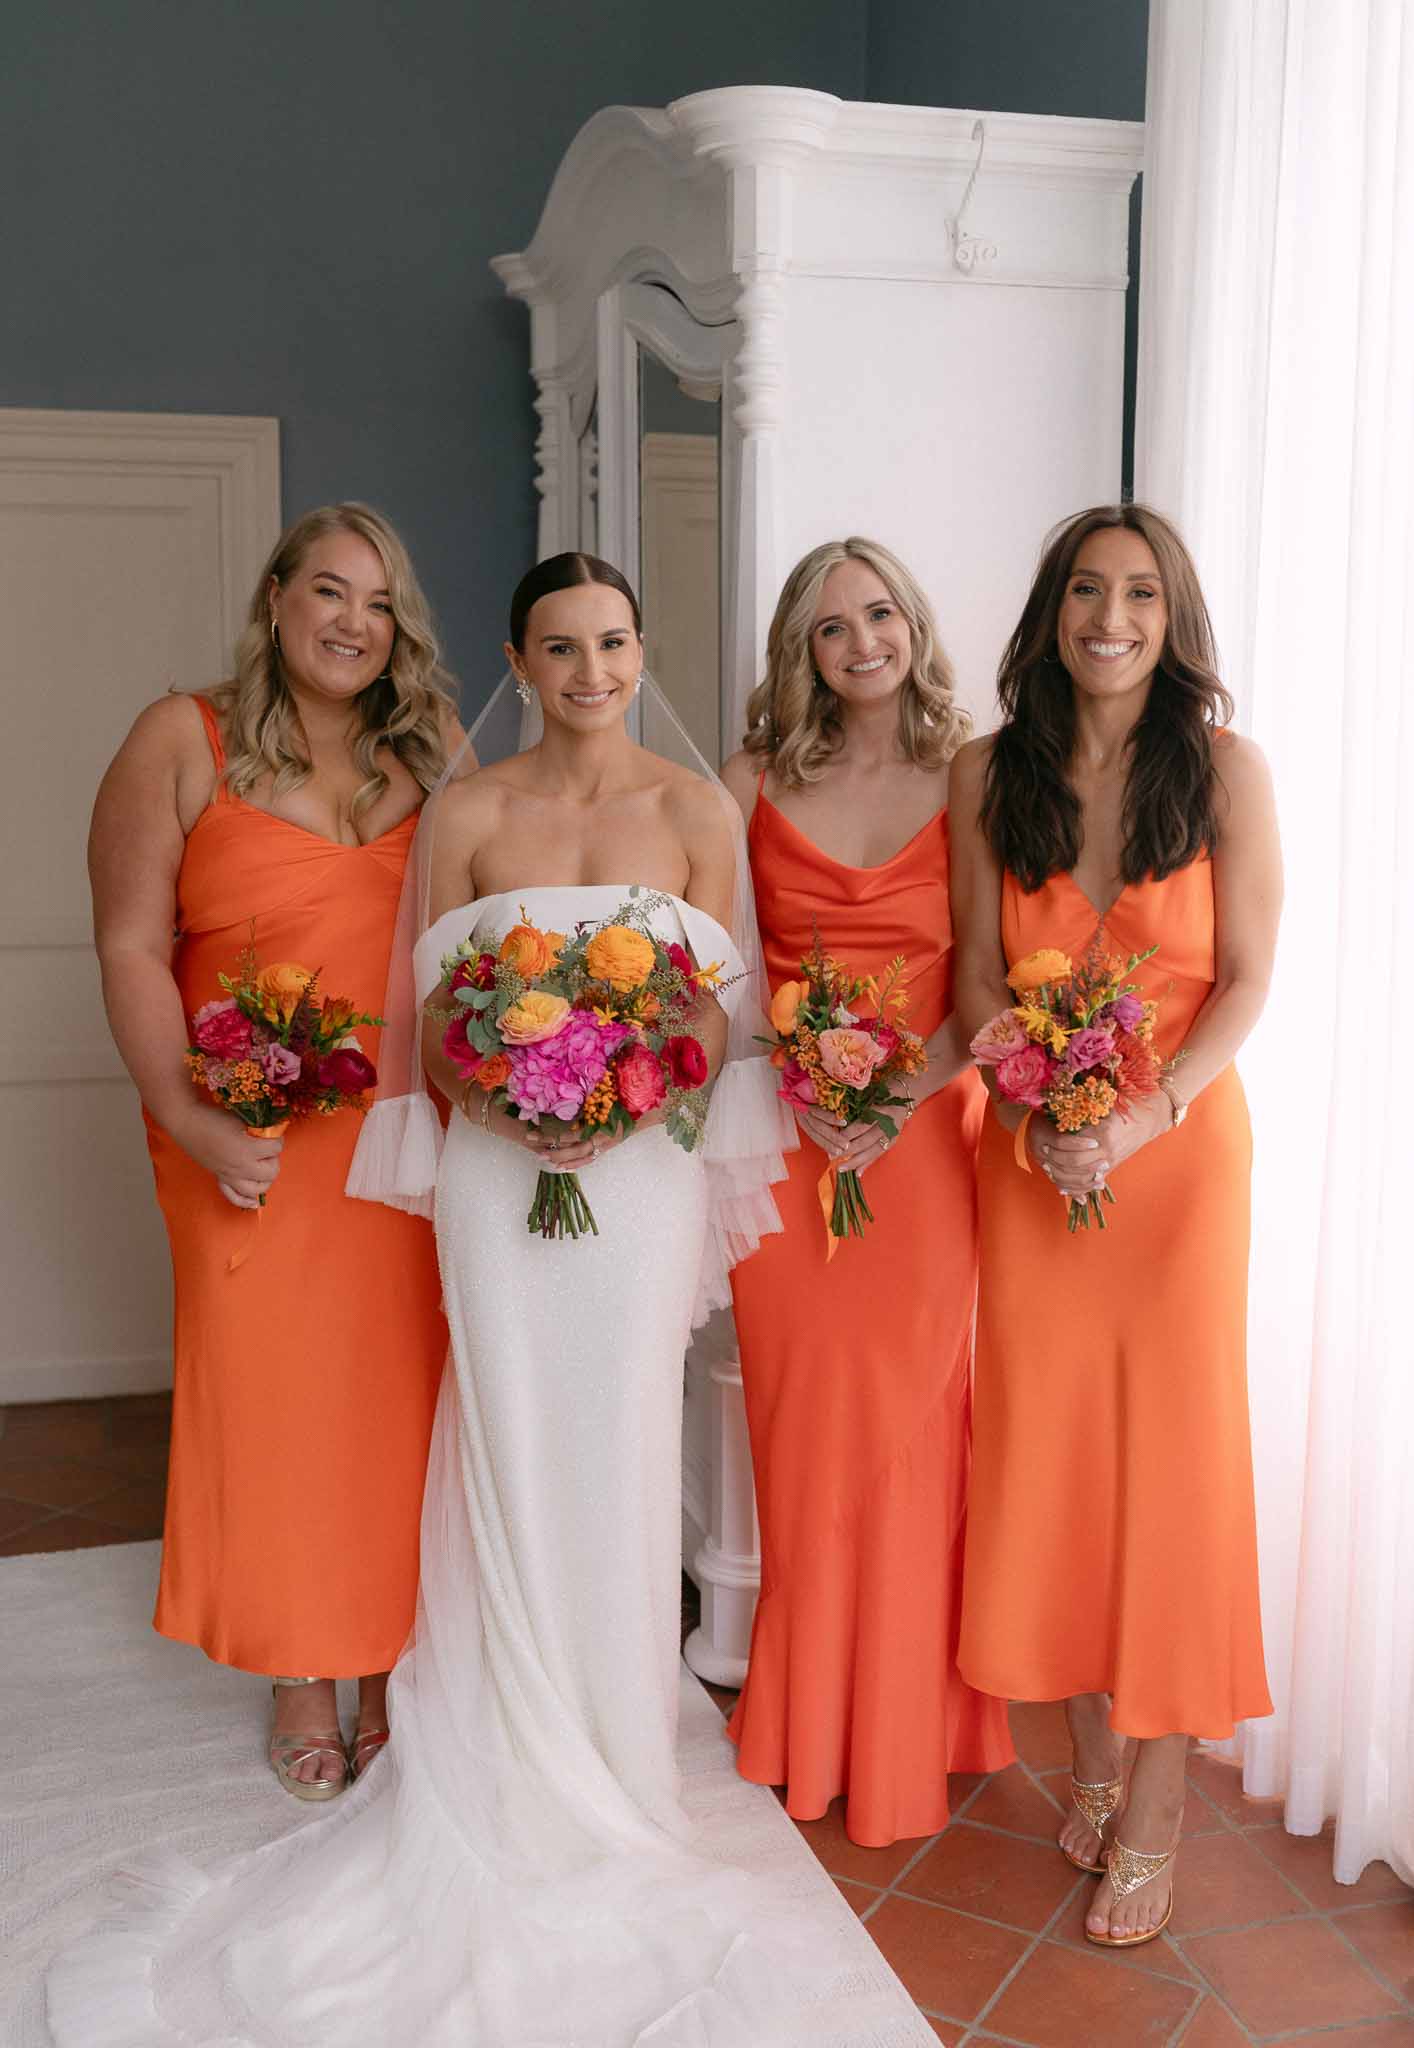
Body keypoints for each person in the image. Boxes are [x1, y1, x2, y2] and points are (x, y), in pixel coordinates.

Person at [51, 554, 911, 2045]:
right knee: (504, 1432)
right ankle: (490, 1731)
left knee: (621, 1439)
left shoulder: (697, 811)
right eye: (563, 646)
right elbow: (422, 1018)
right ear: (520, 656)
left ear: (642, 653)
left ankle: (618, 1747)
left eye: (616, 642)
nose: (592, 670)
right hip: (498, 1179)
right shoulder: (465, 806)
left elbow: (720, 1013)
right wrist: (508, 1100)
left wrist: (632, 1093)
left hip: (637, 1179)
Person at [88, 502, 463, 1800]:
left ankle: (393, 1663)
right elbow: (131, 945)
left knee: (400, 1395)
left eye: (378, 603)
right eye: (328, 593)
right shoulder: (177, 739)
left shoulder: (435, 756)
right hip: (242, 1125)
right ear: (275, 599)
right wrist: (193, 1121)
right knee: (275, 1396)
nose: (353, 623)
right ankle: (304, 1667)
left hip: (404, 1129)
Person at [950, 503, 1282, 1947]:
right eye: (1086, 590)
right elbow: (972, 976)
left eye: (1139, 593)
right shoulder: (982, 773)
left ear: (1172, 616)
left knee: (1172, 1475)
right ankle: (1085, 1750)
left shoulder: (1219, 772)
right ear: (1049, 612)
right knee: (1056, 1464)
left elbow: (1248, 981)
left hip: (1179, 1166)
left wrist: (1145, 1117)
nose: (1110, 616)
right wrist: (1028, 1109)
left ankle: (1155, 1803)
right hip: (1034, 1172)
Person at [720, 537, 1013, 1846]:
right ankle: (801, 1722)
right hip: (786, 1146)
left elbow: (982, 978)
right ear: (802, 648)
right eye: (831, 626)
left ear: (913, 623)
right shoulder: (746, 783)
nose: (861, 643)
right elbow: (725, 978)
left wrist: (892, 1101)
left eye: (879, 614)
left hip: (922, 1145)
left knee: (909, 1439)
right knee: (798, 1434)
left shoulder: (972, 776)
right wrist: (802, 1082)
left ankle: (910, 1732)